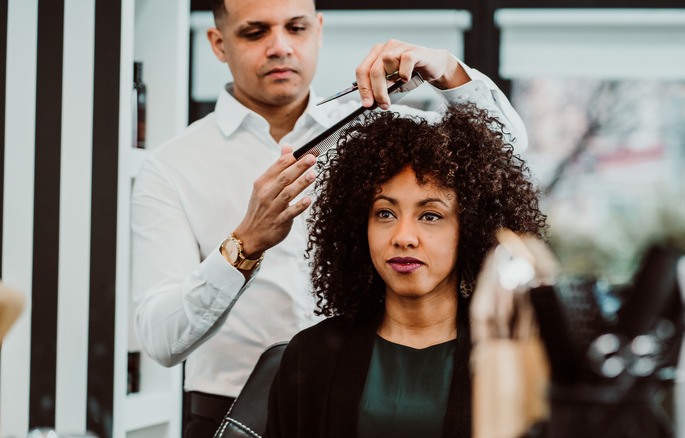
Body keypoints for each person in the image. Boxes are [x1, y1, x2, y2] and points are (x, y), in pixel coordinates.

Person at [131, 0, 528, 434]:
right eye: (255, 32)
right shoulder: (171, 167)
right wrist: (244, 245)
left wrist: (449, 70)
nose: (280, 47)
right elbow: (161, 339)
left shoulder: (374, 125)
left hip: (362, 388)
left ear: (318, 30)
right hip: (231, 414)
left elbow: (502, 156)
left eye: (296, 28)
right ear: (218, 43)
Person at [264, 103, 547, 438]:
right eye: (385, 213)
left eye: (430, 216)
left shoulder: (514, 360)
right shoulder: (310, 356)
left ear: (470, 228)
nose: (403, 237)